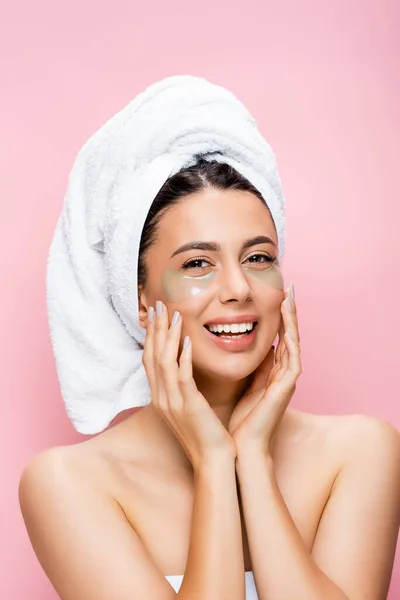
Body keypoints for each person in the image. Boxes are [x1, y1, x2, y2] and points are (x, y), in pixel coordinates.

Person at [19, 82, 400, 600]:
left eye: (258, 257)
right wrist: (216, 463)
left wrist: (254, 460)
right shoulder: (69, 484)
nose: (239, 288)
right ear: (135, 297)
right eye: (197, 263)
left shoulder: (360, 452)